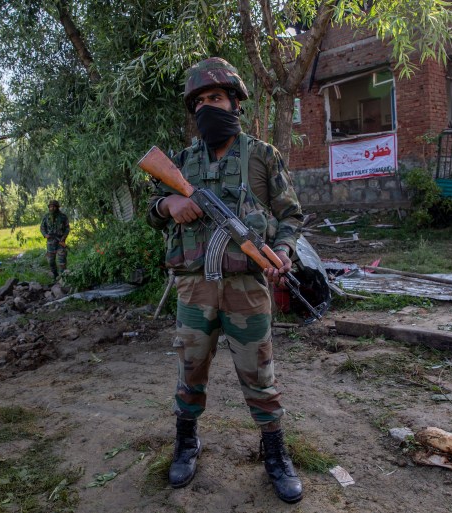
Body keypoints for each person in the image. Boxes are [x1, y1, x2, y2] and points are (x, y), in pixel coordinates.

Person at [146, 57, 304, 503]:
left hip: (247, 288)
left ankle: (274, 452)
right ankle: (186, 442)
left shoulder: (262, 156)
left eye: (214, 98)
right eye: (198, 103)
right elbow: (153, 211)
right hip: (195, 286)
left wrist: (284, 253)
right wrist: (168, 207)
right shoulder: (181, 162)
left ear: (234, 101)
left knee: (259, 372)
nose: (205, 109)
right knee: (190, 369)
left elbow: (290, 215)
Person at [40, 199, 70, 280]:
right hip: (50, 243)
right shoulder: (46, 217)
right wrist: (45, 235)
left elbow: (67, 228)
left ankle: (63, 278)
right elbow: (42, 227)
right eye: (50, 207)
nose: (52, 208)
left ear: (57, 207)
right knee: (51, 261)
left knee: (62, 261)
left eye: (53, 207)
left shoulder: (63, 217)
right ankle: (55, 276)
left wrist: (63, 238)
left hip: (60, 242)